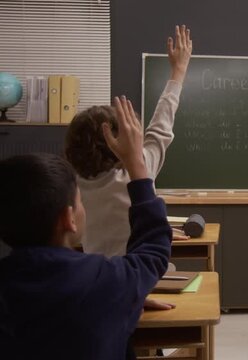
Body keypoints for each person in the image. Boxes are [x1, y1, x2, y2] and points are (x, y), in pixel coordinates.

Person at [0, 95, 171, 360]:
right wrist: (137, 165)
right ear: (68, 219)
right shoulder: (108, 281)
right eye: (79, 202)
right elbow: (153, 251)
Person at [64, 24, 191, 259]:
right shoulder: (139, 170)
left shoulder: (75, 188)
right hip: (139, 278)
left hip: (99, 277)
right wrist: (179, 70)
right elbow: (161, 128)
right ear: (121, 141)